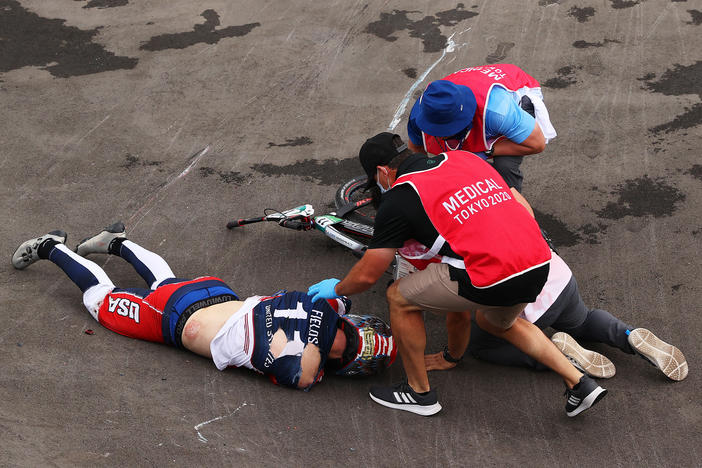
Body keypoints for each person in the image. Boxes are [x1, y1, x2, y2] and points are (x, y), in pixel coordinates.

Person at [307, 132, 606, 417]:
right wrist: (451, 356)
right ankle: (580, 383)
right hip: (539, 259)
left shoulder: (400, 197)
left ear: (383, 172)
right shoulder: (464, 158)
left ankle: (418, 394)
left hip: (492, 272)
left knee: (398, 296)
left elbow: (367, 275)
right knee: (495, 321)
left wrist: (338, 289)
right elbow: (515, 200)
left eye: (375, 179)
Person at [11, 223, 396, 390]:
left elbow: (337, 302)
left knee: (167, 282)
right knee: (99, 299)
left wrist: (336, 311)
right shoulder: (302, 369)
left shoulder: (326, 305)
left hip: (215, 293)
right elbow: (307, 372)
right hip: (175, 321)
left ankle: (118, 242)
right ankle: (49, 245)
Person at [423, 248, 689, 382]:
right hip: (556, 274)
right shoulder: (491, 190)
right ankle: (627, 334)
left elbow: (456, 302)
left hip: (523, 302)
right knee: (583, 321)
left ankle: (555, 355)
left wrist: (451, 353)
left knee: (480, 344)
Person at [407, 64, 557, 191]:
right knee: (462, 168)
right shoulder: (418, 116)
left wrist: (487, 151)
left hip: (518, 89)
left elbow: (537, 144)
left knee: (505, 166)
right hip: (475, 84)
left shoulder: (498, 111)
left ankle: (513, 205)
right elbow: (416, 152)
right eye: (439, 130)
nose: (444, 135)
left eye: (450, 129)